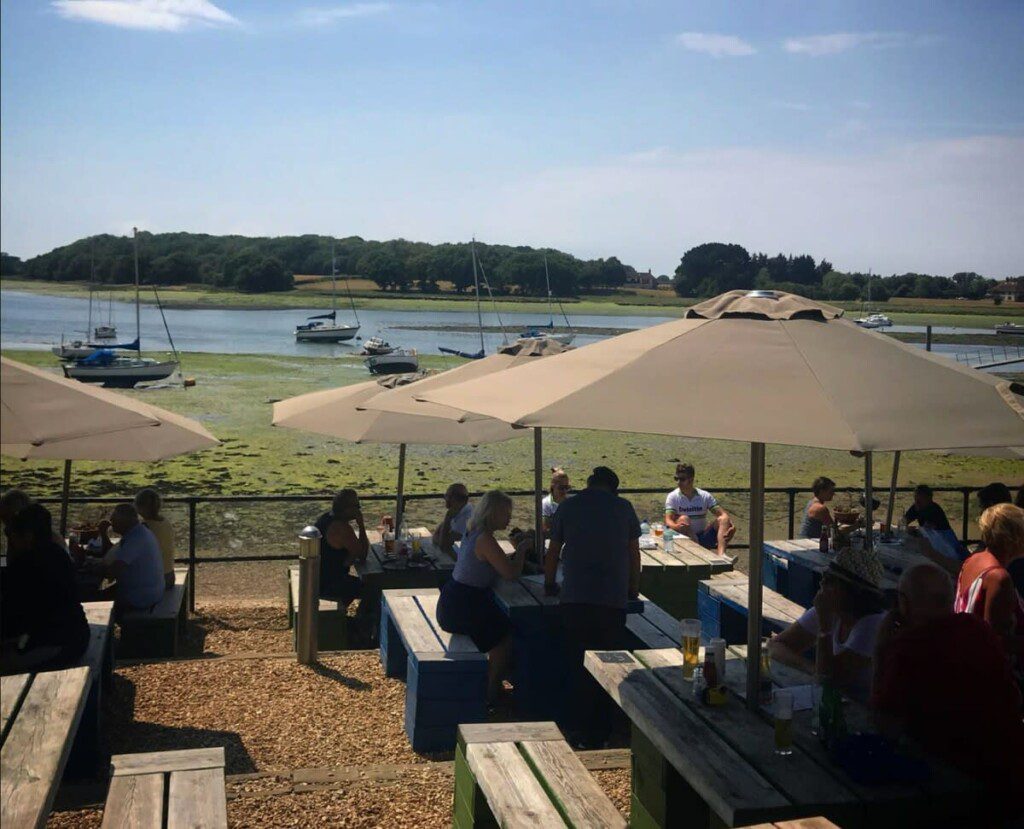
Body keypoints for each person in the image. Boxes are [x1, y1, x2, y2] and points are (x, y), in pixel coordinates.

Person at [873, 563, 1024, 816]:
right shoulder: (979, 630)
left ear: (904, 604)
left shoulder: (909, 648)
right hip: (1011, 769)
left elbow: (886, 727)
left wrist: (880, 651)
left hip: (962, 789)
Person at [545, 466, 641, 747]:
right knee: (609, 665)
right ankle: (607, 730)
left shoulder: (568, 506)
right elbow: (633, 554)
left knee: (577, 664)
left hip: (575, 597)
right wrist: (633, 588)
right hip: (611, 600)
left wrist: (549, 583)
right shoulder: (624, 508)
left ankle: (577, 730)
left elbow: (553, 551)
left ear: (588, 484)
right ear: (614, 489)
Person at [436, 491, 526, 704]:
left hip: (454, 599)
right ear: (493, 513)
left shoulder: (474, 531)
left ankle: (498, 678)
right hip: (462, 606)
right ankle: (491, 690)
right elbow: (510, 574)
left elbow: (494, 562)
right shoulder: (485, 539)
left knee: (501, 624)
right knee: (504, 637)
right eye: (506, 513)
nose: (510, 518)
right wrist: (522, 550)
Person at [768, 546, 886, 702]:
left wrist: (824, 627)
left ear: (851, 591)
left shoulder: (873, 625)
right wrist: (811, 668)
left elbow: (828, 678)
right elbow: (775, 646)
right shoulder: (833, 609)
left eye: (830, 580)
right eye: (824, 576)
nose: (821, 582)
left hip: (865, 710)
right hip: (840, 702)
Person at [1, 504, 90, 674]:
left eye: (12, 536)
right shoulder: (57, 553)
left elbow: (13, 617)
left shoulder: (27, 564)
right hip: (76, 635)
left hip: (58, 645)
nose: (10, 541)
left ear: (28, 536)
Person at [954, 503, 1024, 675]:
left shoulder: (973, 560)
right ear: (1014, 538)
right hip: (990, 675)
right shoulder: (998, 578)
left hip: (964, 659)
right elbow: (994, 641)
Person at [90, 503, 166, 614]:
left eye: (114, 518)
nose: (111, 520)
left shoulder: (135, 540)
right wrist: (103, 533)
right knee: (95, 594)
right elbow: (113, 554)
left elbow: (112, 573)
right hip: (149, 590)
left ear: (125, 521)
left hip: (141, 597)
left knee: (88, 597)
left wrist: (92, 568)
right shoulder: (138, 532)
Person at [664, 463, 735, 557]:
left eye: (682, 479)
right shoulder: (673, 496)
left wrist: (731, 525)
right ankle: (696, 552)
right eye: (676, 479)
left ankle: (721, 555)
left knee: (724, 519)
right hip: (683, 538)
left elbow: (723, 514)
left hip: (702, 537)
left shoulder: (704, 496)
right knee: (684, 519)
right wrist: (677, 526)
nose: (678, 482)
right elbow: (668, 520)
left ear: (691, 480)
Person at [314, 489, 369, 606]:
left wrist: (349, 559)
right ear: (347, 508)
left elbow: (351, 556)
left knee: (359, 584)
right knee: (372, 589)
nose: (359, 509)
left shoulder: (325, 518)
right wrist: (361, 524)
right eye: (357, 506)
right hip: (329, 584)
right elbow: (363, 554)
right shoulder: (341, 528)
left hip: (318, 577)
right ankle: (364, 617)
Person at [903, 484, 966, 567]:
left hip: (944, 540)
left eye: (920, 499)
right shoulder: (916, 507)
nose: (917, 502)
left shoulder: (934, 510)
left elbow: (928, 530)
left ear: (929, 499)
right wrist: (906, 525)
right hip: (931, 539)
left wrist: (912, 529)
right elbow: (903, 522)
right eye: (915, 499)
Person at [135, 488, 176, 589]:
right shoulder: (165, 522)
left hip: (156, 580)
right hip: (170, 575)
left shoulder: (144, 527)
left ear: (140, 508)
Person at [432, 483, 472, 556]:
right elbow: (436, 535)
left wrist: (447, 519)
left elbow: (443, 545)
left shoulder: (466, 518)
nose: (445, 499)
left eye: (447, 496)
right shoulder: (458, 511)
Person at [541, 468, 571, 536]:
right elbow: (544, 528)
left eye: (567, 487)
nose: (564, 491)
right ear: (553, 486)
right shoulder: (546, 503)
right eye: (561, 488)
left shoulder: (570, 503)